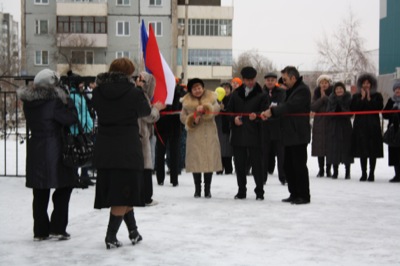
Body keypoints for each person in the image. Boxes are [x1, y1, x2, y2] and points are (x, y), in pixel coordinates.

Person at [92, 58, 151, 249]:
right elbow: (145, 111)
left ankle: (133, 231)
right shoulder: (133, 92)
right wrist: (140, 89)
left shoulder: (98, 91)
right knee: (122, 193)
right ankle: (111, 236)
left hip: (106, 148)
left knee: (126, 191)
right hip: (127, 148)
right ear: (128, 74)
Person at [17, 68, 79, 241]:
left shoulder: (29, 102)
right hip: (55, 147)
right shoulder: (55, 101)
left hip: (36, 147)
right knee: (64, 186)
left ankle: (40, 231)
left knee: (40, 191)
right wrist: (68, 100)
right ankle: (58, 227)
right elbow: (70, 118)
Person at [261, 66, 311, 205]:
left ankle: (303, 195)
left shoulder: (302, 90)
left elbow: (289, 107)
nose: (283, 82)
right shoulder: (290, 90)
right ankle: (294, 193)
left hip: (298, 134)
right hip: (288, 134)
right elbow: (284, 108)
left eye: (285, 79)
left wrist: (271, 111)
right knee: (288, 165)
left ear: (293, 78)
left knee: (299, 165)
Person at [227, 66, 266, 200]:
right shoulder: (235, 94)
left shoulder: (261, 94)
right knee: (239, 165)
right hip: (238, 135)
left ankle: (260, 191)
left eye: (252, 80)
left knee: (257, 165)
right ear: (243, 80)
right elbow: (229, 112)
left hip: (255, 135)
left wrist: (258, 116)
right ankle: (241, 191)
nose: (250, 82)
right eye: (247, 80)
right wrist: (234, 119)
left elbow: (266, 113)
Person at [180, 78, 222, 198]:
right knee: (196, 161)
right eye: (194, 88)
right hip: (195, 135)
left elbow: (217, 109)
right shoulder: (186, 101)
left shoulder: (212, 97)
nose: (197, 90)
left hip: (209, 133)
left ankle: (207, 189)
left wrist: (206, 108)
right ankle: (197, 189)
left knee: (209, 162)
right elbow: (182, 117)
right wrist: (193, 118)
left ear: (203, 88)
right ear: (191, 90)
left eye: (199, 88)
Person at [137, 71, 166, 206]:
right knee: (145, 166)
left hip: (142, 135)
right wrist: (156, 109)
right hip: (141, 136)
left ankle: (144, 196)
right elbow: (148, 116)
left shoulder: (141, 96)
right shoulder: (141, 96)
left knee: (145, 165)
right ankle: (145, 197)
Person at [350, 73, 383, 182]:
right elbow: (354, 108)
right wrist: (362, 98)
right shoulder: (356, 96)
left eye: (368, 83)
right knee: (362, 150)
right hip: (360, 127)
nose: (366, 85)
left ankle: (371, 173)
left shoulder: (377, 96)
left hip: (373, 127)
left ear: (372, 84)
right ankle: (363, 173)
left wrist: (369, 99)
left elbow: (378, 108)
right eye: (364, 83)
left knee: (372, 151)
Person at [67, 72, 95, 188]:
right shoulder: (73, 96)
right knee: (77, 153)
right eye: (80, 83)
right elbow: (76, 114)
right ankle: (75, 178)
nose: (83, 85)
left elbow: (85, 112)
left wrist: (89, 125)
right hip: (77, 129)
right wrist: (80, 126)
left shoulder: (80, 95)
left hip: (84, 128)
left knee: (86, 152)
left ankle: (84, 176)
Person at [155, 78, 183, 187]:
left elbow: (178, 107)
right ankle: (160, 178)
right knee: (160, 153)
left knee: (174, 153)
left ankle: (174, 178)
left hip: (175, 127)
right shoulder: (159, 92)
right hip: (161, 126)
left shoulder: (178, 92)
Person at [261, 72, 286, 185]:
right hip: (265, 127)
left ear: (275, 81)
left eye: (272, 80)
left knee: (281, 154)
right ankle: (262, 177)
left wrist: (271, 111)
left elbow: (282, 106)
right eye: (268, 80)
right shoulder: (261, 92)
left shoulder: (282, 92)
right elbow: (260, 106)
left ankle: (283, 177)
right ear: (265, 81)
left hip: (279, 127)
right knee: (264, 154)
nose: (270, 82)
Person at [325, 82, 354, 179]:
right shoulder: (331, 99)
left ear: (344, 89)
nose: (339, 90)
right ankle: (335, 171)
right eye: (337, 89)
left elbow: (351, 113)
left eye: (341, 88)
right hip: (334, 127)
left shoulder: (348, 99)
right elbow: (327, 113)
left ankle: (347, 172)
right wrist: (334, 111)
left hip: (345, 127)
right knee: (334, 149)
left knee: (346, 149)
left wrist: (342, 110)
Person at [311, 74, 333, 177]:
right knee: (319, 147)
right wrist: (322, 98)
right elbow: (313, 107)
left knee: (329, 146)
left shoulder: (333, 93)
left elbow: (332, 105)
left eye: (325, 83)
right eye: (321, 83)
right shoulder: (316, 93)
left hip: (329, 122)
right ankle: (321, 169)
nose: (323, 85)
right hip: (319, 122)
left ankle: (329, 169)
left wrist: (326, 98)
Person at [382, 80, 400, 183]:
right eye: (396, 89)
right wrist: (392, 111)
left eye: (399, 88)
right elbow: (384, 115)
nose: (398, 90)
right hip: (393, 131)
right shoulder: (391, 101)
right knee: (394, 153)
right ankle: (397, 174)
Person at [215, 82, 234, 175]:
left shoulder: (233, 99)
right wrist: (219, 107)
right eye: (223, 88)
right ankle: (219, 168)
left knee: (229, 149)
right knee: (219, 148)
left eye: (227, 88)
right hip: (219, 126)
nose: (226, 90)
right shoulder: (215, 100)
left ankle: (228, 168)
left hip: (229, 126)